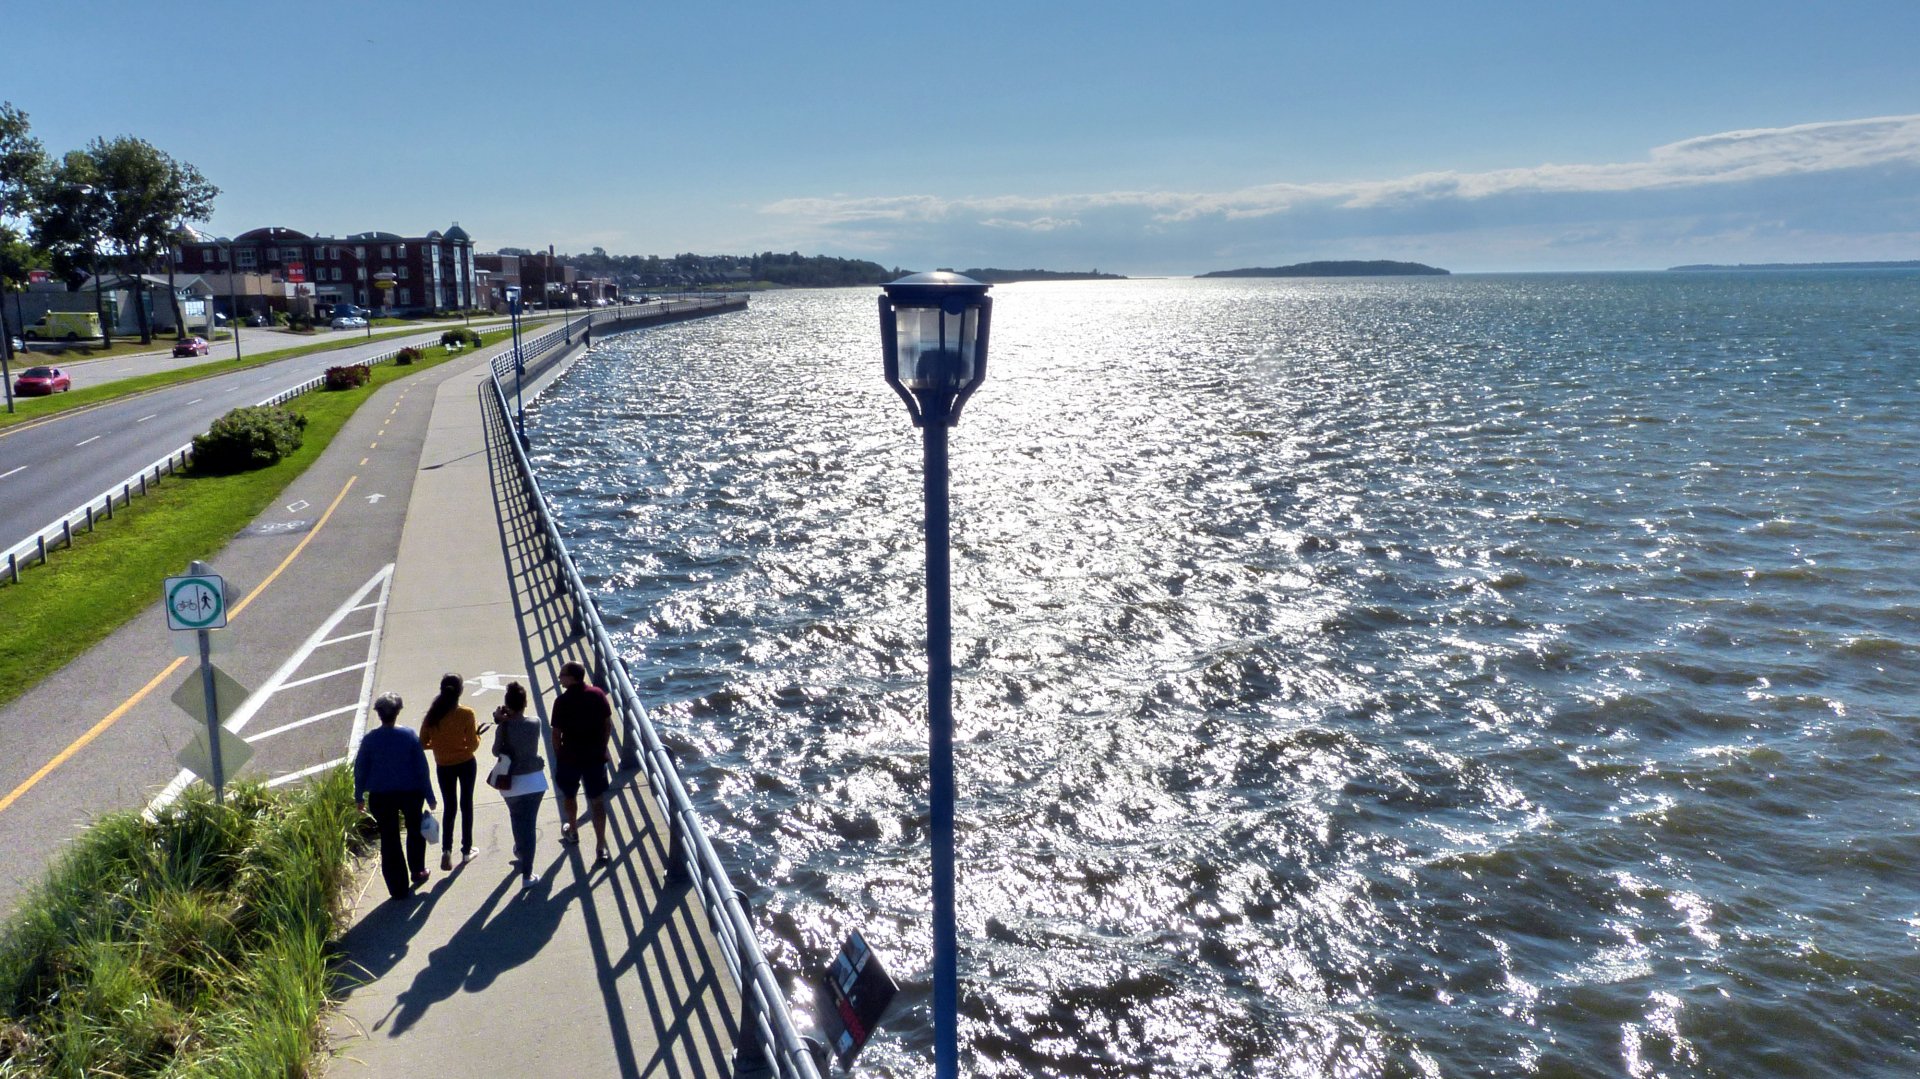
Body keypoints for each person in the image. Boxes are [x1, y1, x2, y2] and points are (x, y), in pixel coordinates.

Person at [354, 692, 438, 900]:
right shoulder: (408, 735)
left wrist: (359, 796)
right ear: (398, 712)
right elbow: (421, 768)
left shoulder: (370, 740)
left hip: (381, 796)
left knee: (389, 839)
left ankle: (398, 888)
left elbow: (361, 769)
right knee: (415, 830)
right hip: (410, 793)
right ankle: (417, 870)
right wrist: (429, 795)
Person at [420, 673, 488, 871]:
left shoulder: (432, 715)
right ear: (460, 691)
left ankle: (446, 850)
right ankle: (466, 850)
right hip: (466, 763)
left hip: (443, 765)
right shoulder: (466, 714)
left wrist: (440, 745)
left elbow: (423, 742)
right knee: (467, 804)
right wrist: (475, 739)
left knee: (450, 807)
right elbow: (473, 745)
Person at [551, 660, 615, 866]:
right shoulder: (598, 695)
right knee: (597, 801)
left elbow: (556, 734)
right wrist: (602, 746)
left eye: (563, 675)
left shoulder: (561, 702)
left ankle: (573, 829)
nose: (560, 678)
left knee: (569, 795)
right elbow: (607, 725)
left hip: (570, 757)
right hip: (595, 757)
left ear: (572, 678)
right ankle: (601, 845)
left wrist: (559, 754)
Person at [491, 681, 547, 889]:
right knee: (529, 826)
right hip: (534, 781)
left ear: (507, 705)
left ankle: (519, 850)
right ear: (525, 703)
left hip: (511, 784)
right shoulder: (535, 723)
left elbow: (496, 752)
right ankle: (527, 874)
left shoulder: (503, 728)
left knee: (517, 819)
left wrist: (501, 723)